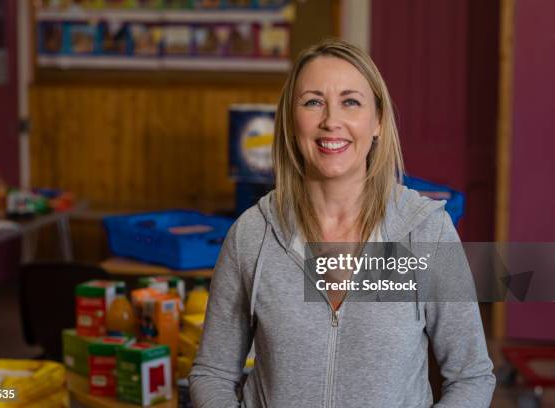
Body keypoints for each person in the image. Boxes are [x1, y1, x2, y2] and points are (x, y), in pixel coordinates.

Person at [189, 38, 495, 407]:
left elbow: (471, 376)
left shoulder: (427, 232)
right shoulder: (252, 235)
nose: (331, 121)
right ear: (290, 121)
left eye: (350, 101)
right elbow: (212, 374)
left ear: (378, 120)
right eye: (313, 102)